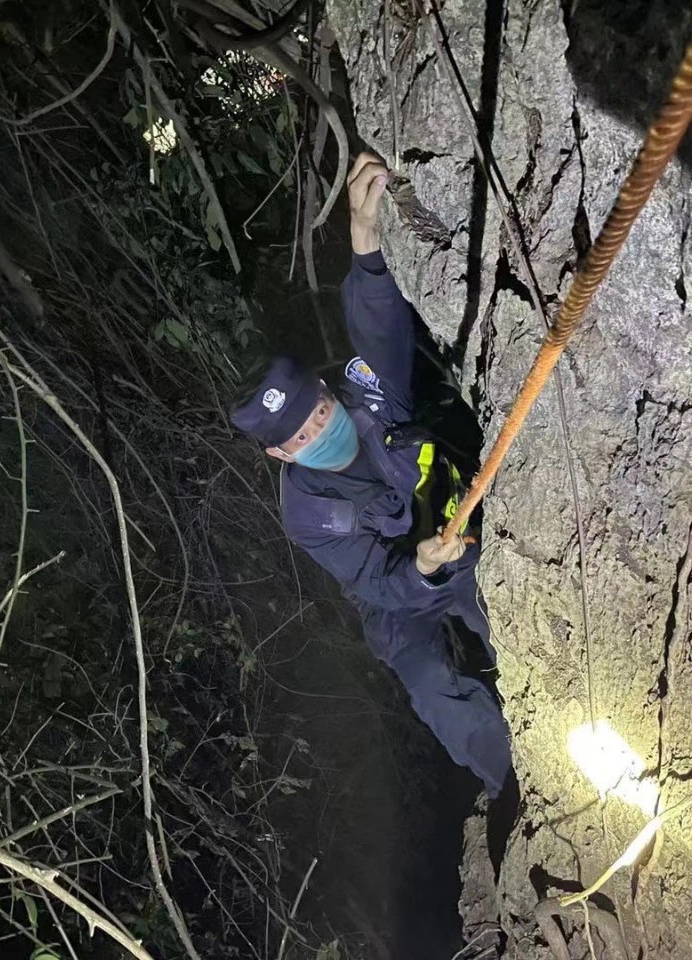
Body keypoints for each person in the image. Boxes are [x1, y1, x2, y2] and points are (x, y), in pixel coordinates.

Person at [230, 152, 513, 798]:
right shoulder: (306, 514)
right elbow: (374, 582)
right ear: (280, 455)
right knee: (429, 683)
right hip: (395, 597)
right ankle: (510, 786)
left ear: (327, 388)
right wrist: (417, 568)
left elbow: (379, 333)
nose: (318, 429)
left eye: (318, 410)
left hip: (455, 524)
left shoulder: (368, 396)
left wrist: (364, 245)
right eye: (300, 435)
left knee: (500, 616)